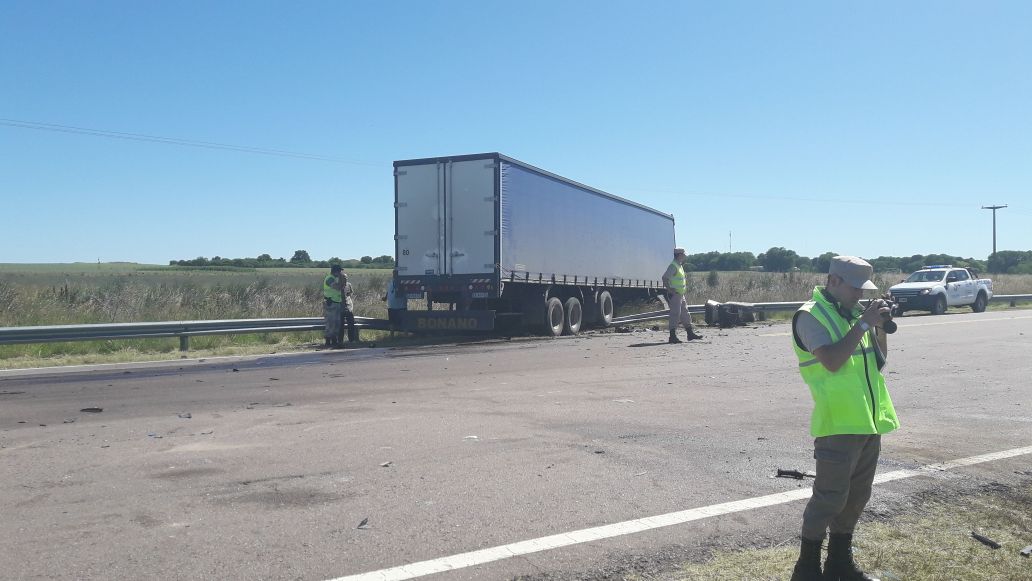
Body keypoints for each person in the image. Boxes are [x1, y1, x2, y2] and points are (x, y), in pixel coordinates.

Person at [789, 255, 899, 581]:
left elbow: (877, 363)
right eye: (855, 289)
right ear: (833, 281)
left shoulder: (851, 313)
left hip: (868, 421)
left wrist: (879, 329)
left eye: (864, 291)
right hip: (838, 424)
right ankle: (807, 569)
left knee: (856, 498)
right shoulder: (810, 316)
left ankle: (839, 563)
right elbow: (833, 361)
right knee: (829, 499)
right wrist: (863, 323)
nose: (860, 296)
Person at [662, 247, 703, 343]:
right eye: (684, 254)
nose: (685, 256)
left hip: (680, 294)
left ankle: (690, 334)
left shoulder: (678, 265)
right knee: (675, 314)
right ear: (679, 255)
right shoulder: (673, 266)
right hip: (675, 294)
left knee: (685, 314)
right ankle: (672, 337)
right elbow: (665, 277)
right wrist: (670, 289)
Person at [322, 265, 344, 347]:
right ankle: (328, 340)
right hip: (330, 303)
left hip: (336, 302)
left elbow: (341, 288)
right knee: (330, 322)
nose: (341, 273)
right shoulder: (330, 278)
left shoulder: (335, 278)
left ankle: (334, 340)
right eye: (340, 271)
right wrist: (342, 280)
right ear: (336, 271)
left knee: (336, 322)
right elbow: (338, 288)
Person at [337, 272, 358, 345]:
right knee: (340, 325)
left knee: (351, 324)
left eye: (346, 278)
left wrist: (349, 295)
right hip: (340, 308)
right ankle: (340, 340)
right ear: (340, 279)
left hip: (349, 307)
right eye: (344, 278)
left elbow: (352, 292)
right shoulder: (337, 286)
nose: (346, 279)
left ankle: (351, 340)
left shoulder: (349, 284)